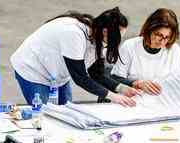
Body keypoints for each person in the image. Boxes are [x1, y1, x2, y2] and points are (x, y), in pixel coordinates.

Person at [111, 8, 180, 143]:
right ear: (148, 30)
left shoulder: (173, 50)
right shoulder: (130, 47)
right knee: (136, 140)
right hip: (134, 104)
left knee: (168, 139)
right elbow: (114, 77)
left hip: (162, 105)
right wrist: (137, 83)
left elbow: (177, 80)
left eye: (167, 37)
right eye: (158, 35)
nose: (162, 41)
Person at [11, 7, 140, 107]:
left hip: (57, 72)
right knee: (44, 116)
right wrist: (113, 96)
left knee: (66, 112)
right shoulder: (74, 34)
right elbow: (80, 77)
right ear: (105, 31)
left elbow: (96, 74)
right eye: (116, 38)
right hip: (33, 70)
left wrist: (121, 88)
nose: (117, 42)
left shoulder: (99, 37)